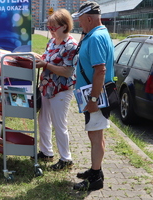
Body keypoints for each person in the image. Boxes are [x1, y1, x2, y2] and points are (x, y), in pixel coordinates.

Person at [71, 1, 114, 191]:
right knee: (95, 134)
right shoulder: (97, 34)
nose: (80, 24)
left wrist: (94, 100)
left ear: (89, 18)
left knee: (96, 136)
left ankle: (95, 177)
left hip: (96, 96)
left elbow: (100, 71)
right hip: (94, 94)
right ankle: (96, 169)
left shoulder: (96, 37)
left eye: (81, 21)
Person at [33, 9, 78, 171]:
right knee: (43, 120)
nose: (51, 30)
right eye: (49, 27)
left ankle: (66, 159)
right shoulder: (52, 42)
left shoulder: (71, 45)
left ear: (65, 26)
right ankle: (46, 152)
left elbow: (67, 71)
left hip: (61, 89)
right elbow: (46, 58)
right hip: (46, 87)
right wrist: (38, 58)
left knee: (59, 124)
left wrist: (45, 65)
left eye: (54, 27)